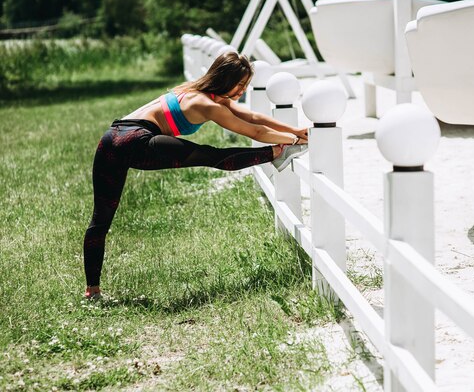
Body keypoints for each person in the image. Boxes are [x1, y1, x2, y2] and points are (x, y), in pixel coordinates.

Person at [83, 52, 308, 300]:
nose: (243, 91)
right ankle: (276, 153)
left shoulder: (193, 90)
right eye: (240, 85)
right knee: (211, 156)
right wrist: (293, 140)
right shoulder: (206, 105)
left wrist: (294, 130)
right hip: (137, 139)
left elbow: (252, 117)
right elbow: (253, 130)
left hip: (111, 137)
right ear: (226, 79)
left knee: (100, 220)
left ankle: (92, 290)